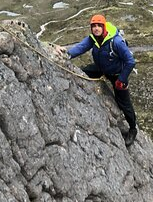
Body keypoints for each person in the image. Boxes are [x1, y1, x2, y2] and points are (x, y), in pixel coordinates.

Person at [56, 14, 138, 146]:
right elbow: (81, 47)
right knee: (81, 72)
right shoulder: (93, 38)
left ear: (104, 26)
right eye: (93, 26)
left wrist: (121, 79)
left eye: (99, 26)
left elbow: (130, 61)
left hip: (117, 74)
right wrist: (67, 54)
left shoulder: (116, 42)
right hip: (101, 68)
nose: (96, 28)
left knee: (124, 103)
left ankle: (133, 129)